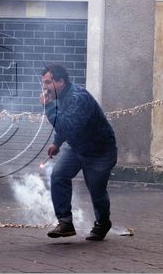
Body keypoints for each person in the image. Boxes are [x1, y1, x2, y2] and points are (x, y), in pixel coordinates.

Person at [39, 64, 117, 241]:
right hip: (77, 148)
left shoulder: (78, 98)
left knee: (96, 190)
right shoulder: (60, 96)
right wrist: (57, 143)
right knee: (58, 175)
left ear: (61, 82)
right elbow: (66, 123)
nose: (44, 86)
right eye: (43, 82)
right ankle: (65, 223)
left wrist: (49, 108)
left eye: (48, 82)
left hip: (100, 151)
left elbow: (68, 125)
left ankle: (103, 223)